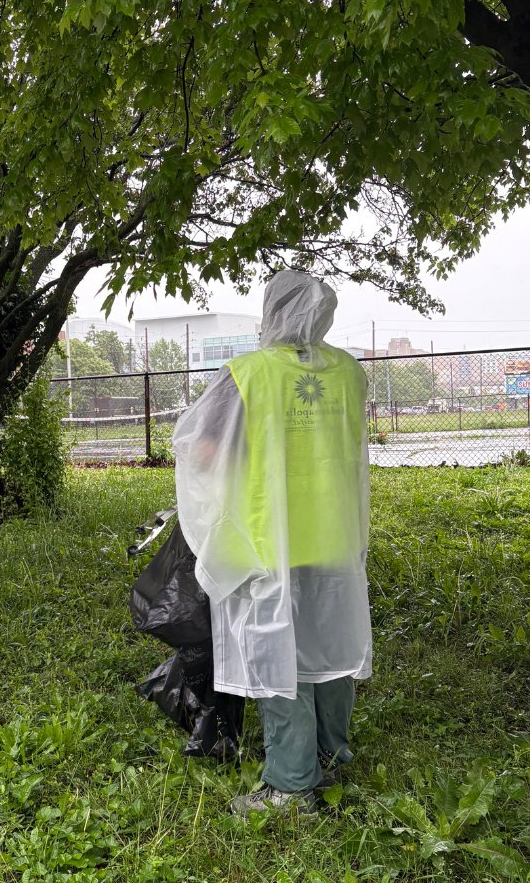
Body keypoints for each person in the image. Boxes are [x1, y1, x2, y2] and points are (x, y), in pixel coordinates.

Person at [172, 271, 372, 814]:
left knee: (276, 653)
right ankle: (334, 751)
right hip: (335, 536)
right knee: (330, 649)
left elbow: (203, 451)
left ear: (271, 312)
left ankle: (289, 783)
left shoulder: (248, 375)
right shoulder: (350, 372)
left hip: (270, 540)